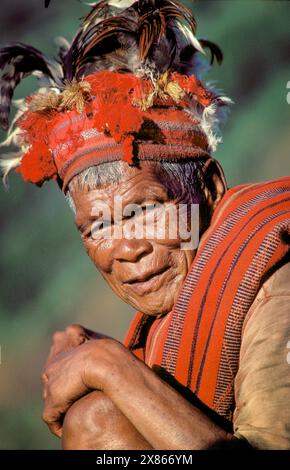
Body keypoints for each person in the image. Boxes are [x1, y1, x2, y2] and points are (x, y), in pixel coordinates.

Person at [0, 0, 289, 450]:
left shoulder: (276, 285)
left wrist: (110, 365)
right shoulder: (172, 310)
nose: (126, 249)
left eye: (144, 211)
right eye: (97, 228)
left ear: (209, 189)